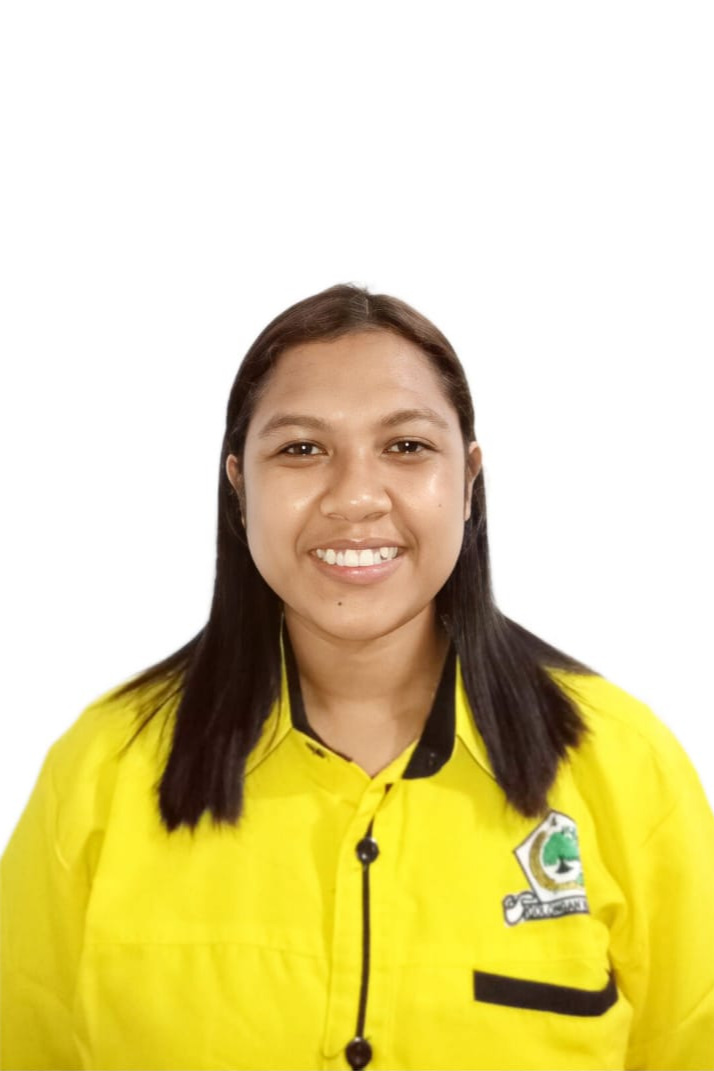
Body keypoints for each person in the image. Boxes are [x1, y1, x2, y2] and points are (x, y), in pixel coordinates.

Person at [1, 283, 713, 1071]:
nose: (356, 497)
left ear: (469, 480)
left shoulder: (628, 771)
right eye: (302, 449)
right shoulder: (101, 775)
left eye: (405, 446)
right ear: (238, 485)